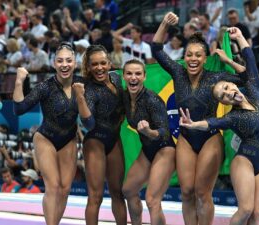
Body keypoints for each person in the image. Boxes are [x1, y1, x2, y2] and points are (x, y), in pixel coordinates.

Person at [152, 13, 247, 225]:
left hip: (210, 137)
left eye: (198, 55)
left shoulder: (215, 77)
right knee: (186, 191)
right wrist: (165, 23)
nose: (193, 59)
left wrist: (227, 59)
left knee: (203, 193)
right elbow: (156, 49)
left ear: (205, 58)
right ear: (184, 57)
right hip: (186, 137)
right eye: (189, 55)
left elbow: (246, 77)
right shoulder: (178, 73)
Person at [179, 27, 259, 225]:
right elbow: (213, 122)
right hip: (245, 162)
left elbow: (249, 63)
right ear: (224, 103)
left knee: (257, 214)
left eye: (226, 88)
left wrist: (238, 39)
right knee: (246, 209)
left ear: (233, 86)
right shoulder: (234, 117)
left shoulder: (253, 89)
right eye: (222, 96)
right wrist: (194, 124)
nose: (227, 93)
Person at [13, 42, 94, 225]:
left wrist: (81, 96)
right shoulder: (45, 87)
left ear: (75, 62)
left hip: (68, 139)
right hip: (45, 138)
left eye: (68, 60)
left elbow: (89, 123)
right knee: (53, 186)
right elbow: (19, 109)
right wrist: (19, 82)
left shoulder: (84, 85)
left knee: (65, 189)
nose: (64, 64)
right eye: (60, 61)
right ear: (54, 63)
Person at [121, 59, 176, 225]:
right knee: (128, 190)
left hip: (165, 149)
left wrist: (148, 132)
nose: (133, 77)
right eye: (129, 73)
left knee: (152, 200)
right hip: (148, 149)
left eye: (138, 73)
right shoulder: (123, 96)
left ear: (144, 77)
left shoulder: (152, 99)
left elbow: (164, 132)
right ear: (123, 76)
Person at [81, 44, 127, 225]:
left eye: (102, 63)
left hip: (114, 139)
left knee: (117, 192)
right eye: (94, 64)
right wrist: (80, 98)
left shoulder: (118, 78)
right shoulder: (89, 90)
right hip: (95, 142)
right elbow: (88, 123)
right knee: (96, 196)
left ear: (109, 63)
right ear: (89, 67)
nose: (99, 68)